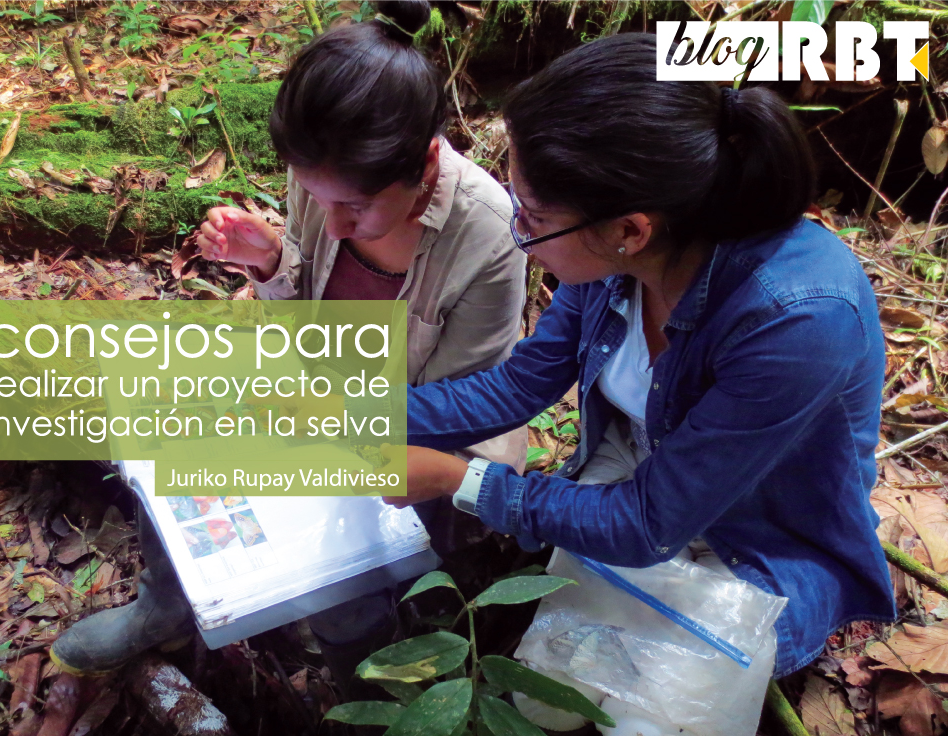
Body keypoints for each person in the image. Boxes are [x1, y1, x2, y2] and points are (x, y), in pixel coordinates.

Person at [381, 34, 895, 735]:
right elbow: (516, 388)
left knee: (652, 721)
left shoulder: (795, 319)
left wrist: (455, 480)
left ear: (630, 228)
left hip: (756, 542)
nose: (517, 228)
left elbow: (649, 523)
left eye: (530, 215)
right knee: (545, 697)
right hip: (642, 491)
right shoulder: (618, 265)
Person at [49, 0, 528, 685]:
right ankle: (165, 605)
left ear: (424, 164)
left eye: (354, 208)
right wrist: (274, 262)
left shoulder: (487, 236)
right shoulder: (329, 168)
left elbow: (461, 410)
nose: (332, 225)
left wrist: (327, 425)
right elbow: (306, 319)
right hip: (313, 394)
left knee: (337, 585)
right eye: (312, 195)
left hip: (417, 443)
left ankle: (367, 676)